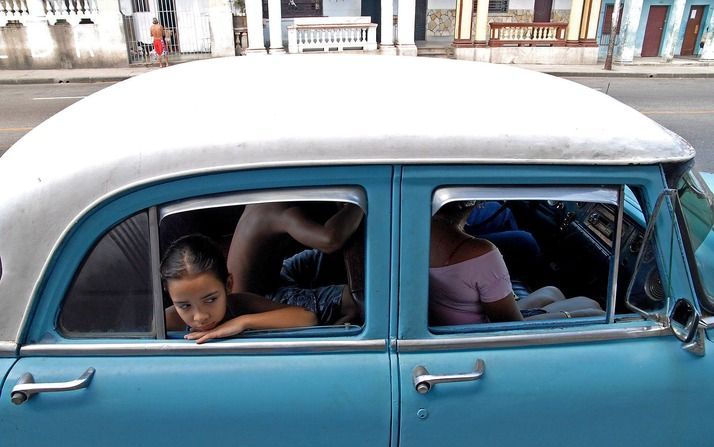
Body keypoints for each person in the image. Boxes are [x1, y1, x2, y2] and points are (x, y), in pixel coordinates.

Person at [429, 201, 604, 326]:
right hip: (484, 334)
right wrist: (564, 316)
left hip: (453, 321)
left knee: (552, 292)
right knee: (595, 311)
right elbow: (509, 325)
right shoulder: (480, 253)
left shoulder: (416, 234)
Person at [161, 234, 317, 344]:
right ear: (170, 296)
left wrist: (242, 322)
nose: (200, 317)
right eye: (184, 306)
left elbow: (308, 318)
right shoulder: (165, 322)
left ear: (228, 285)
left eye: (210, 299)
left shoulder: (240, 305)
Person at [227, 202, 364, 325]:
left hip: (277, 276)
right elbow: (330, 240)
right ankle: (333, 331)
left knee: (323, 256)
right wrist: (360, 203)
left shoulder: (260, 200)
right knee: (353, 300)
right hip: (261, 300)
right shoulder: (280, 211)